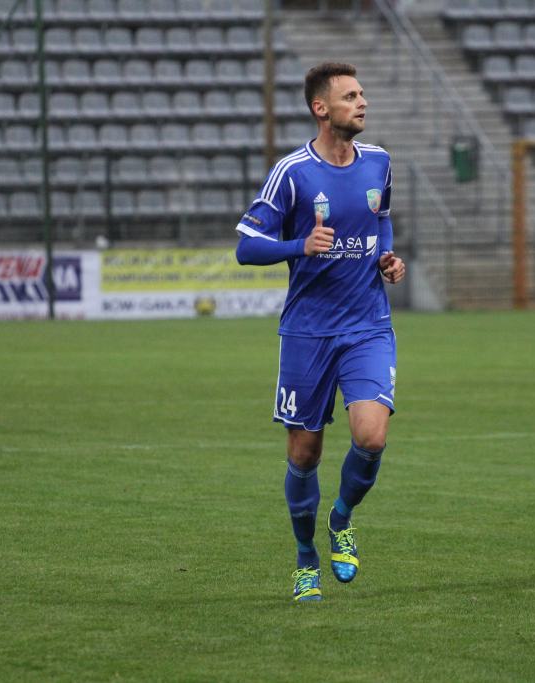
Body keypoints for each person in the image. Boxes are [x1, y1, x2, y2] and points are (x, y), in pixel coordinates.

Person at [234, 62, 406, 602]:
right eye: (351, 96)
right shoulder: (293, 172)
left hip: (367, 325)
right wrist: (297, 246)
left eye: (363, 93)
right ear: (321, 108)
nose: (363, 102)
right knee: (304, 454)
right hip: (308, 334)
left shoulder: (378, 162)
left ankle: (342, 517)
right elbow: (245, 246)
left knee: (371, 435)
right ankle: (306, 555)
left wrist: (385, 257)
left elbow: (381, 218)